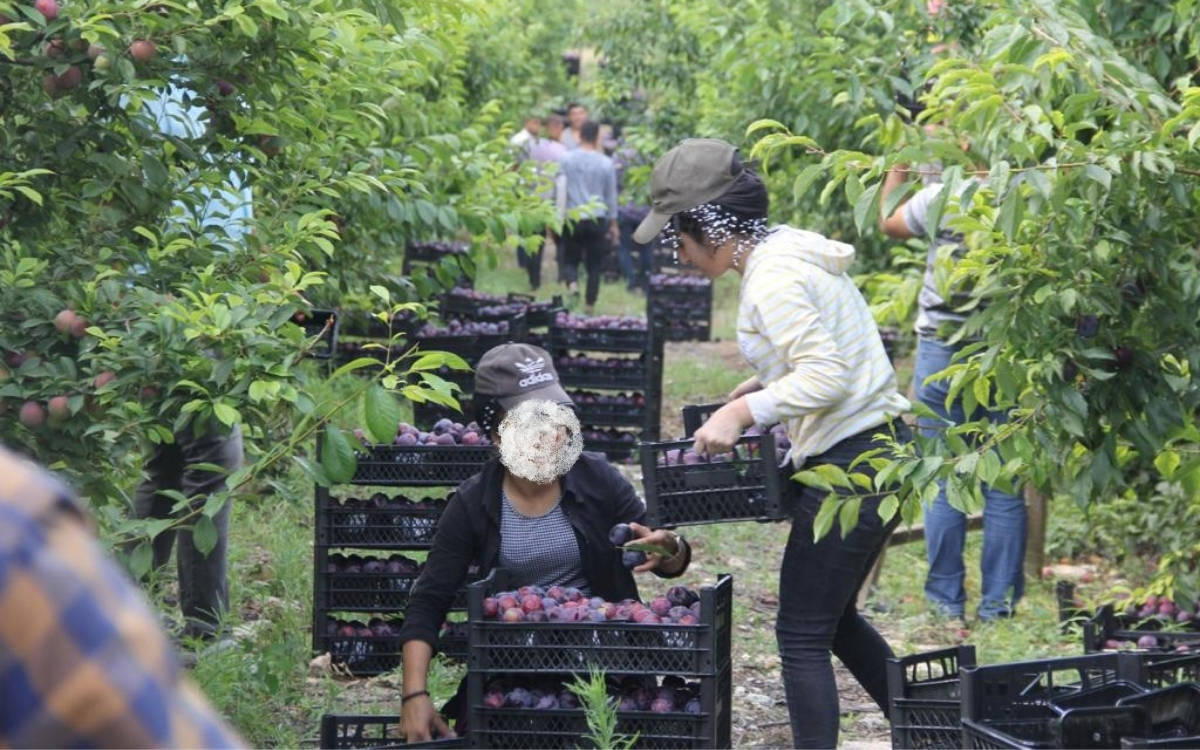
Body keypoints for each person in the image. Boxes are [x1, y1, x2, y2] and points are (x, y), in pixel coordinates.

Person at [633, 138, 911, 749]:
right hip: (878, 452)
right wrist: (769, 380)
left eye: (678, 236)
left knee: (801, 634)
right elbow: (831, 349)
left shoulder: (773, 278)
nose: (679, 253)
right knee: (832, 621)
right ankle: (931, 730)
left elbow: (828, 374)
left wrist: (742, 411)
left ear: (709, 225)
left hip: (854, 464)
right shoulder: (783, 250)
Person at [397, 343, 692, 742]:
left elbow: (669, 556)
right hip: (519, 665)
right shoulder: (473, 502)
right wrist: (414, 694)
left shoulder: (597, 478)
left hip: (606, 663)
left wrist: (669, 547)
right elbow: (429, 599)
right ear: (496, 434)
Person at [0, 445, 244, 748]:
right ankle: (206, 628)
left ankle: (136, 603)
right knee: (212, 456)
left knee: (168, 462)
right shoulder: (15, 528)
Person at [880, 162, 1026, 623]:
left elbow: (889, 222)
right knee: (1005, 483)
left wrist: (896, 170)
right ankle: (998, 606)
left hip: (943, 347)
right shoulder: (1028, 190)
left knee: (943, 474)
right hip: (1008, 348)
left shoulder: (944, 195)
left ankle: (945, 602)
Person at [131, 78, 250, 642]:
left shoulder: (223, 94)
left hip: (204, 304)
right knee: (215, 462)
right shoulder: (164, 93)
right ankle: (204, 623)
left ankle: (124, 610)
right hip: (177, 306)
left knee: (169, 465)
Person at [556, 121, 618, 314]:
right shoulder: (606, 163)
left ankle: (573, 283)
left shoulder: (566, 159)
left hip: (573, 216)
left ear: (579, 135)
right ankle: (590, 304)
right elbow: (611, 196)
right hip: (596, 218)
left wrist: (555, 216)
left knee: (570, 258)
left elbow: (558, 189)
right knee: (594, 264)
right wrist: (613, 223)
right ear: (597, 137)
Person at [521, 114, 569, 290]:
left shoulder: (532, 147)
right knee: (561, 241)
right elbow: (562, 182)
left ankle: (534, 280)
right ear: (558, 128)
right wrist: (561, 211)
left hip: (533, 200)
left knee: (535, 240)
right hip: (553, 201)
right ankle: (562, 275)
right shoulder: (562, 151)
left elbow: (524, 174)